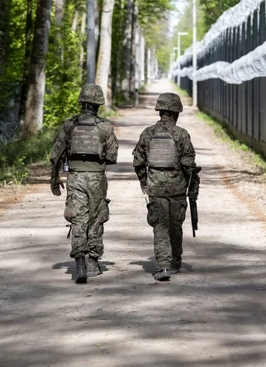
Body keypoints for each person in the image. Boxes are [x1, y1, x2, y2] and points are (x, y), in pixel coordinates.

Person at [50, 84, 119, 283]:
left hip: (75, 177)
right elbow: (113, 156)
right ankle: (94, 262)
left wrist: (54, 180)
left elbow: (55, 156)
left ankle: (79, 260)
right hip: (97, 178)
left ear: (81, 102)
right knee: (96, 218)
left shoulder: (69, 126)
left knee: (77, 218)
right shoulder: (105, 127)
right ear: (98, 104)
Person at [132, 92, 200, 281]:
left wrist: (145, 183)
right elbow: (190, 167)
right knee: (175, 226)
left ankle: (163, 266)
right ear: (176, 113)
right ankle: (175, 262)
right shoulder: (181, 134)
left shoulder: (148, 133)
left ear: (160, 111)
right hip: (178, 190)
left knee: (160, 227)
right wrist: (191, 188)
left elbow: (138, 163)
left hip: (156, 189)